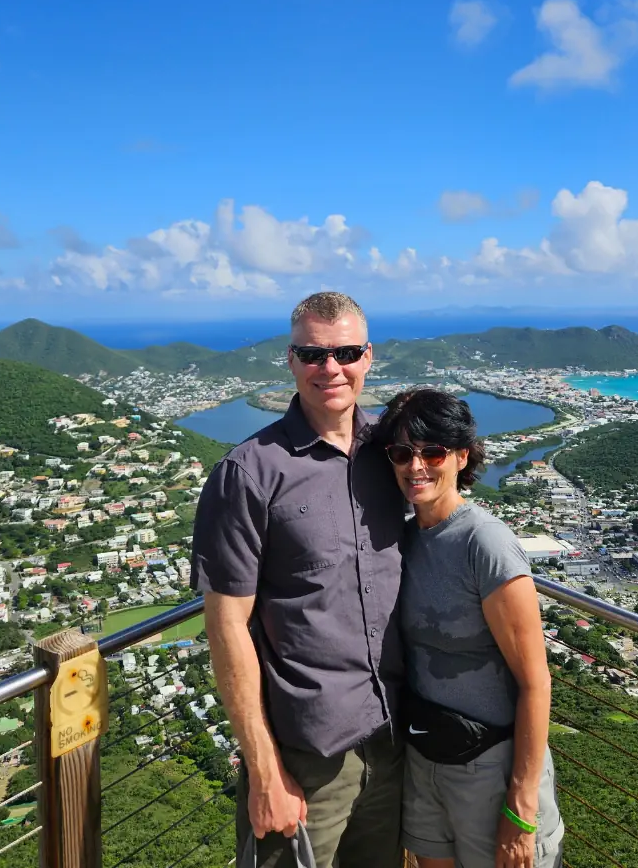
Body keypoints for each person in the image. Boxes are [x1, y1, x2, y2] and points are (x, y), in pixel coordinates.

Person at [192, 292, 407, 867]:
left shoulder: (395, 453)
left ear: (369, 357)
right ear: (290, 360)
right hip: (306, 757)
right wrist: (263, 770)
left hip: (398, 737)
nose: (330, 368)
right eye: (313, 355)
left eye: (345, 352)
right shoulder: (249, 472)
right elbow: (227, 627)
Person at [378, 389, 564, 867]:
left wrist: (521, 807)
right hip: (425, 756)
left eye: (432, 452)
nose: (416, 466)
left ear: (462, 456)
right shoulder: (402, 539)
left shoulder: (487, 544)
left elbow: (536, 681)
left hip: (491, 765)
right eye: (402, 453)